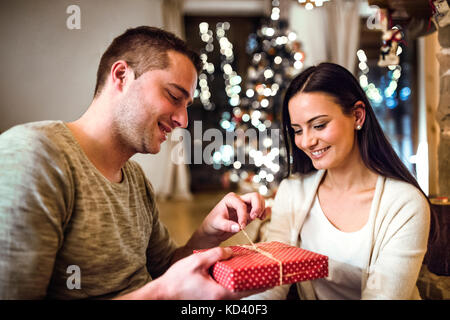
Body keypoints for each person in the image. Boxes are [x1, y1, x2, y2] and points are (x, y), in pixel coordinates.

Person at [0, 26, 268, 299]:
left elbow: (165, 270)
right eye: (174, 97)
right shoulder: (34, 156)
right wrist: (164, 294)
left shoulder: (135, 179)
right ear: (121, 76)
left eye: (186, 105)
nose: (183, 121)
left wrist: (207, 233)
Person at [246, 62, 434, 300]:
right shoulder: (292, 191)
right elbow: (274, 281)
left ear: (357, 116)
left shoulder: (405, 204)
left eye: (319, 125)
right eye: (298, 130)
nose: (306, 142)